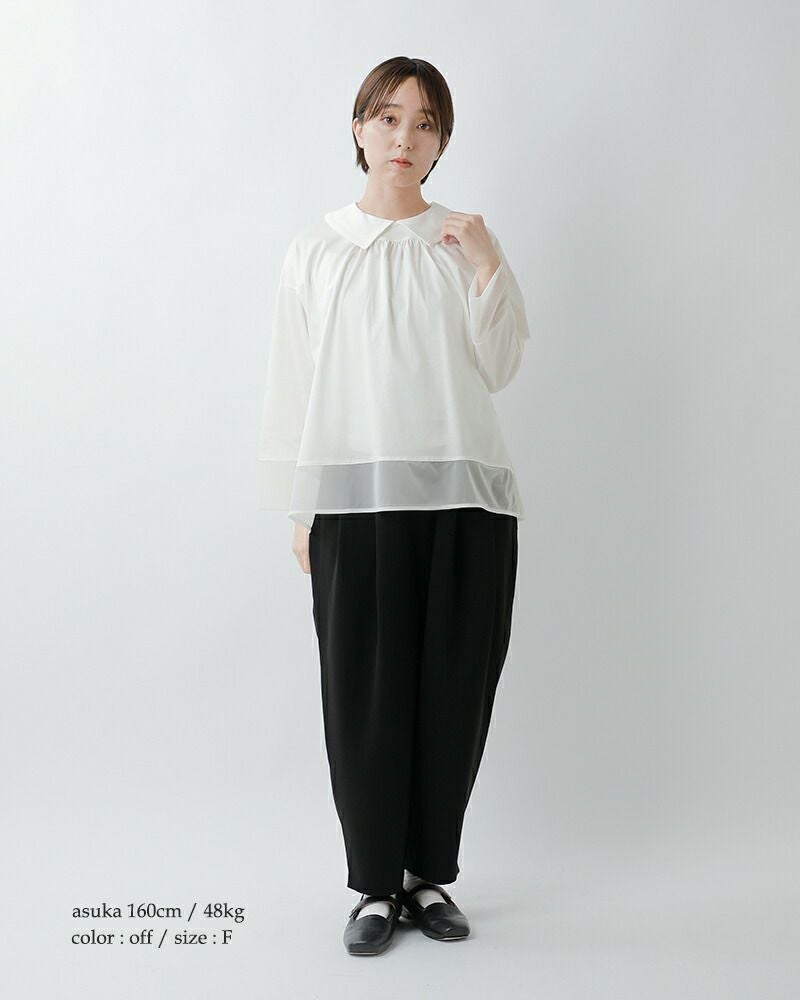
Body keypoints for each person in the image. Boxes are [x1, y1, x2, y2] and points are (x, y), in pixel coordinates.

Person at [257, 56, 530, 956]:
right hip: (356, 500)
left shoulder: (462, 241)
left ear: (442, 141)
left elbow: (500, 366)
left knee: (454, 691)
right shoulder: (317, 248)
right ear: (358, 129)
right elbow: (293, 384)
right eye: (387, 118)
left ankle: (427, 876)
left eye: (424, 123)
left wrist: (487, 265)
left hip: (466, 496)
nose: (404, 138)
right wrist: (300, 507)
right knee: (365, 696)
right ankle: (374, 885)